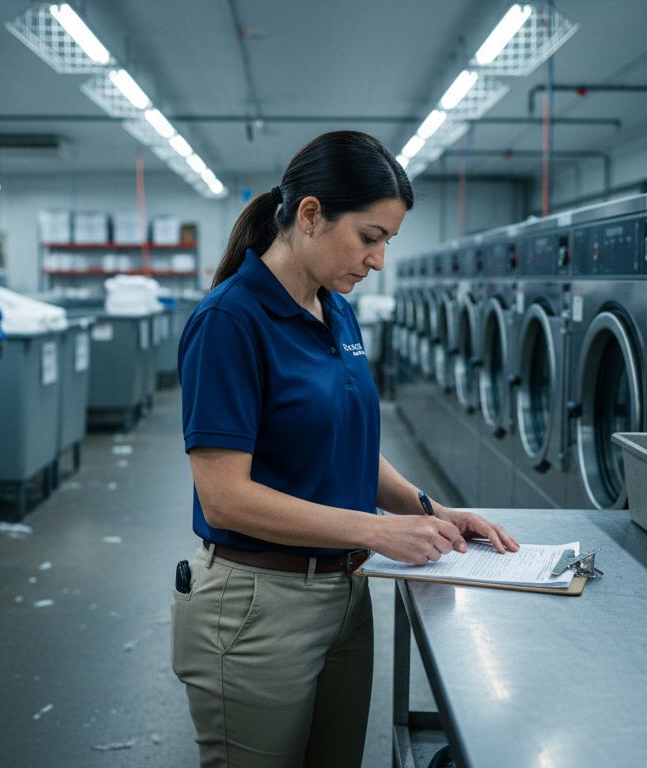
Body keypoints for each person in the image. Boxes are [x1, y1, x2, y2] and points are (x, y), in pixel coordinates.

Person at [172, 130, 520, 768]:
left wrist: (431, 509)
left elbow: (351, 450)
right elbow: (224, 499)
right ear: (310, 215)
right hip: (256, 606)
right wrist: (379, 531)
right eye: (370, 237)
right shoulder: (230, 321)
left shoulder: (337, 311)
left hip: (345, 593)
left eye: (388, 241)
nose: (379, 260)